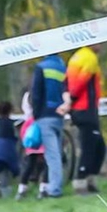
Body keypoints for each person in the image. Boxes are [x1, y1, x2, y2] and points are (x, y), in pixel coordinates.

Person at [30, 51, 71, 198]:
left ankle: (54, 189)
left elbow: (36, 93)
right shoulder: (62, 68)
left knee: (52, 155)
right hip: (58, 115)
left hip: (44, 115)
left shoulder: (41, 67)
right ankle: (51, 186)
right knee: (56, 152)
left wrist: (35, 114)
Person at [67, 43, 104, 194]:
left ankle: (89, 179)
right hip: (85, 108)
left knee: (99, 145)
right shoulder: (90, 58)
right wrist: (72, 98)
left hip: (80, 108)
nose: (102, 45)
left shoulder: (76, 56)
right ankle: (80, 181)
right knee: (90, 146)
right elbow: (82, 81)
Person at [17, 109, 48, 201]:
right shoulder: (44, 120)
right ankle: (43, 189)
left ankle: (22, 189)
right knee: (47, 167)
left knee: (29, 167)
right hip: (43, 147)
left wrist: (27, 146)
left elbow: (23, 134)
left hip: (31, 148)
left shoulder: (29, 121)